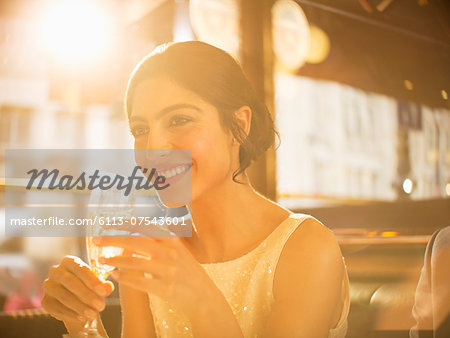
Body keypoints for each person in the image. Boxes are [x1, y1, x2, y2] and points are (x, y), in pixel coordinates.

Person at [42, 41, 350, 338]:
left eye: (179, 120)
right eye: (140, 130)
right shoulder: (152, 253)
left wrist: (200, 297)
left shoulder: (307, 248)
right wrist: (83, 323)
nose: (153, 147)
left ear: (239, 125)